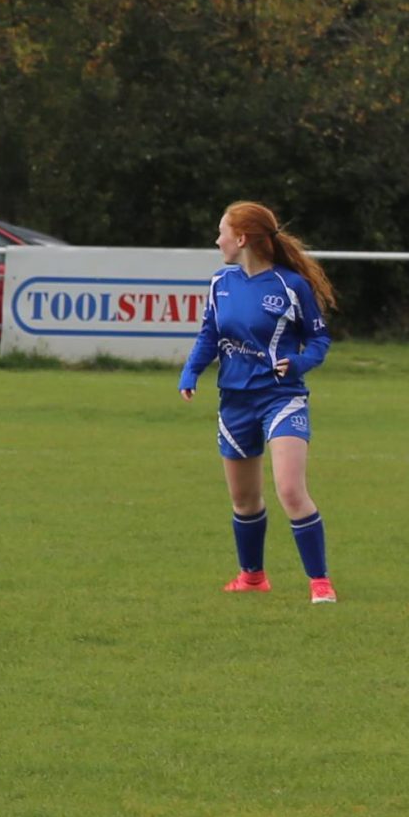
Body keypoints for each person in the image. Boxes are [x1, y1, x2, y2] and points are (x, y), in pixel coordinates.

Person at [178, 200, 339, 604]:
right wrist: (191, 371)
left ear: (242, 238)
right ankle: (252, 578)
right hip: (234, 403)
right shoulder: (221, 283)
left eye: (222, 232)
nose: (218, 240)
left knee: (289, 489)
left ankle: (320, 582)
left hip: (281, 398)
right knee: (244, 499)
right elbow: (208, 335)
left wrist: (300, 362)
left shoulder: (290, 286)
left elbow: (319, 338)